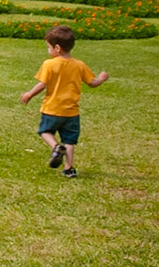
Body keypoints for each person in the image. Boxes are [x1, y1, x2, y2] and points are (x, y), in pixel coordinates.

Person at [19, 24, 109, 178]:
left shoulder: (49, 64)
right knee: (69, 141)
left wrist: (29, 94)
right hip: (71, 112)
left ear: (57, 48)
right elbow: (92, 83)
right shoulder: (79, 65)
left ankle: (55, 147)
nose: (48, 50)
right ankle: (69, 168)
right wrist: (102, 78)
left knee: (45, 132)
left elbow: (42, 84)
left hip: (52, 109)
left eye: (48, 47)